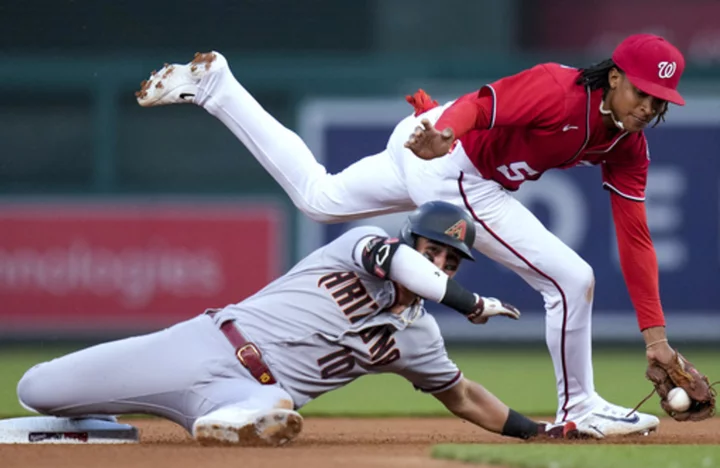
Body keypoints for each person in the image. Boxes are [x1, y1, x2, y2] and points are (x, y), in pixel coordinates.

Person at [132, 33, 700, 437]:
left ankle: (217, 87)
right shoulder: (560, 89)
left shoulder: (628, 146)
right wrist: (446, 133)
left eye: (660, 101)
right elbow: (481, 105)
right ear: (616, 77)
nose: (650, 107)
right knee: (572, 279)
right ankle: (581, 408)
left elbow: (636, 236)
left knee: (319, 197)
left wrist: (656, 341)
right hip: (453, 160)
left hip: (433, 149)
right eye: (643, 93)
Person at [2, 202, 579, 445]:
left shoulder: (419, 335)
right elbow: (402, 265)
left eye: (451, 261)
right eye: (434, 252)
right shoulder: (363, 246)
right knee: (37, 389)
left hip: (252, 390)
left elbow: (463, 396)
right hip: (204, 343)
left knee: (277, 405)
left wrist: (538, 432)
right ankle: (100, 423)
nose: (440, 265)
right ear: (411, 242)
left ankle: (233, 423)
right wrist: (471, 300)